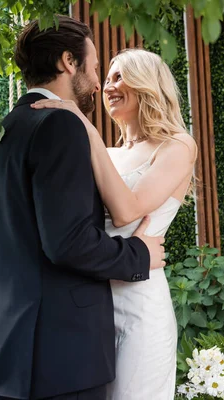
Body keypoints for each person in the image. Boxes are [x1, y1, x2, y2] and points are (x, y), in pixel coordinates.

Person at [0, 16, 166, 400]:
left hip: (6, 356)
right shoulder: (60, 125)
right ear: (67, 62)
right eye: (95, 68)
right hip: (63, 358)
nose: (98, 82)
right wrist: (138, 253)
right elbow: (68, 243)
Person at [31, 48, 197, 400]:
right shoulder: (107, 153)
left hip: (140, 306)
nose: (108, 86)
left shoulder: (178, 146)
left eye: (119, 76)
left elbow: (127, 211)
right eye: (106, 79)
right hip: (92, 306)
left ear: (147, 83)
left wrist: (84, 128)